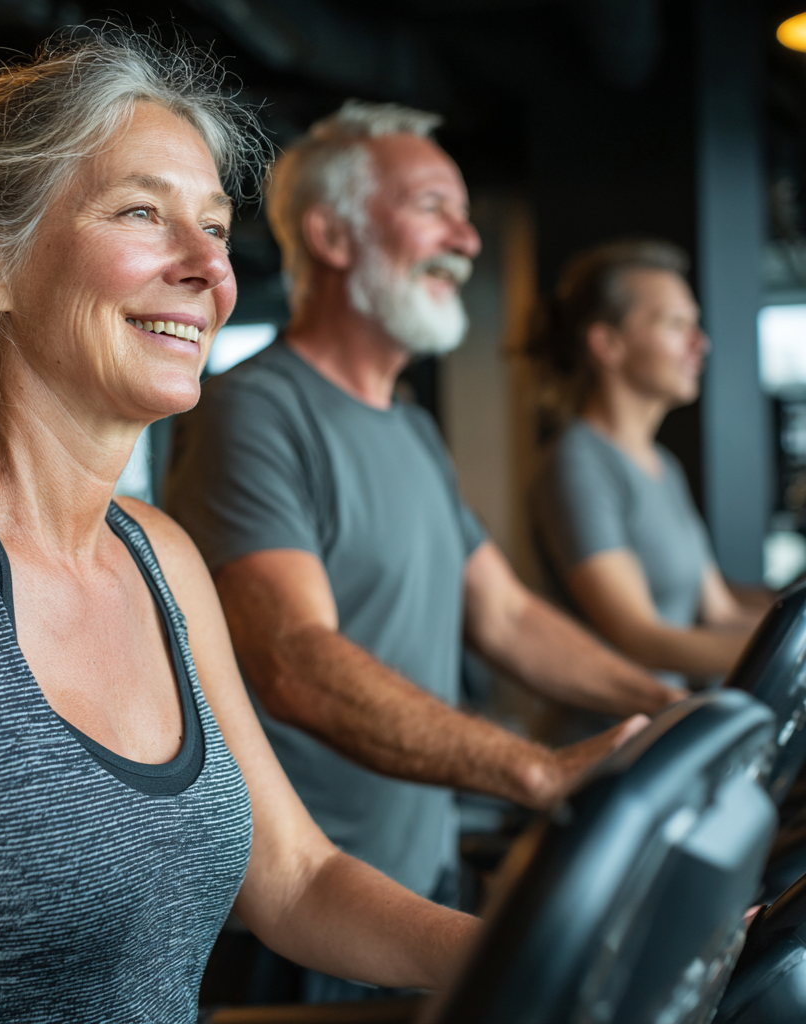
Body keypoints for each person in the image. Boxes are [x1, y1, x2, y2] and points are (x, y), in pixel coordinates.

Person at [0, 34, 484, 1023]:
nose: (210, 268)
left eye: (214, 227)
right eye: (144, 213)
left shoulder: (162, 559)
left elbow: (293, 878)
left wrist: (541, 952)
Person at [165, 100, 667, 998]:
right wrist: (536, 769)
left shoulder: (412, 430)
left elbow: (507, 617)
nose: (467, 241)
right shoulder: (255, 412)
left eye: (465, 214)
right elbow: (295, 661)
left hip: (417, 887)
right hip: (302, 920)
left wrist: (668, 705)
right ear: (332, 234)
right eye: (435, 206)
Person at [527, 240, 765, 689]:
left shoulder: (663, 465)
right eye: (676, 325)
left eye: (695, 325)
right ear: (608, 344)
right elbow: (639, 638)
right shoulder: (578, 464)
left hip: (674, 725)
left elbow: (719, 613)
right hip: (617, 741)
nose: (701, 343)